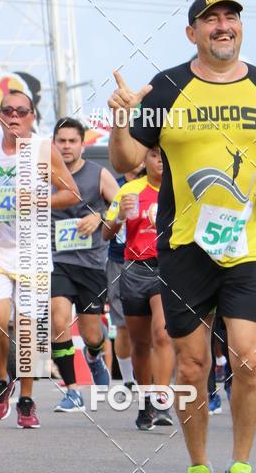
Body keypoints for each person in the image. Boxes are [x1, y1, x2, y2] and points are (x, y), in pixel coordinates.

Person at [108, 0, 256, 473]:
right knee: (192, 367)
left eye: (230, 17)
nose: (222, 26)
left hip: (249, 244)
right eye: (209, 19)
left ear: (240, 28)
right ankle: (197, 472)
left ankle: (240, 471)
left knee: (250, 357)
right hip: (184, 245)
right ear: (192, 33)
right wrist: (122, 120)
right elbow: (127, 157)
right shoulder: (167, 86)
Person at [0, 90, 79, 426]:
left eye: (21, 111)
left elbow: (71, 193)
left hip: (33, 252)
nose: (14, 116)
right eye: (7, 110)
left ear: (32, 116)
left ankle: (27, 399)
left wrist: (40, 202)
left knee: (30, 331)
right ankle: (1, 379)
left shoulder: (43, 150)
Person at [50, 118, 119, 411]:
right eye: (61, 141)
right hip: (56, 260)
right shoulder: (45, 175)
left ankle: (94, 355)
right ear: (53, 143)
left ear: (82, 144)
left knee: (92, 334)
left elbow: (123, 205)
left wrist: (101, 216)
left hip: (91, 263)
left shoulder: (98, 174)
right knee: (58, 320)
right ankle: (72, 390)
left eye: (71, 141)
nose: (66, 146)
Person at [103, 145, 175, 429]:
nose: (160, 160)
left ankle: (162, 400)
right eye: (155, 154)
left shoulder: (181, 190)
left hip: (167, 269)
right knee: (140, 343)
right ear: (144, 158)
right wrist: (120, 215)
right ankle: (145, 399)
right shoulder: (129, 190)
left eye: (165, 155)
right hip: (133, 270)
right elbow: (106, 232)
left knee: (163, 334)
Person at [106, 163, 146, 391]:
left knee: (151, 327)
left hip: (150, 262)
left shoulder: (158, 183)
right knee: (122, 325)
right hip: (119, 260)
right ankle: (128, 378)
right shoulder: (116, 185)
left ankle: (149, 378)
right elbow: (106, 228)